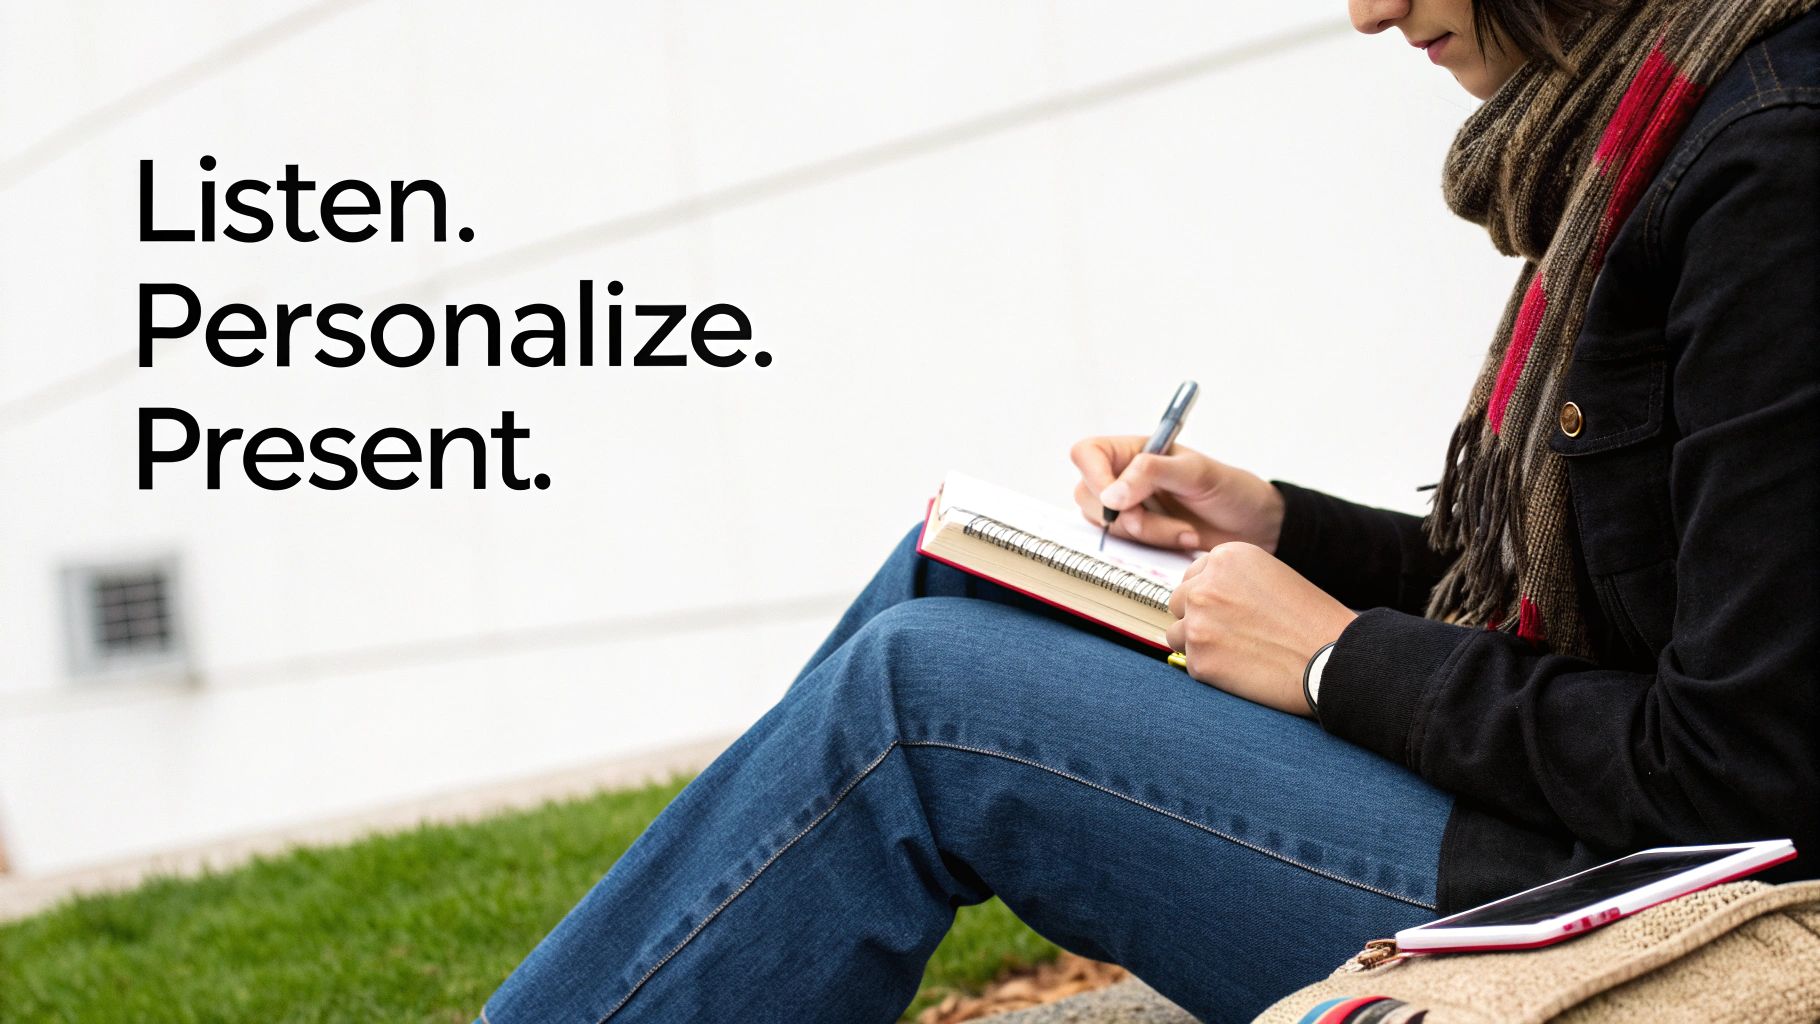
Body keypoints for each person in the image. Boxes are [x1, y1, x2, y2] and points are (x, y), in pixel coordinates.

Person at [476, 1, 1820, 1020]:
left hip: (1663, 920)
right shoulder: (1661, 121)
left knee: (918, 706)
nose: (1362, 12)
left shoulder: (1770, 169)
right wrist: (1280, 529)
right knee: (961, 574)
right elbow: (1616, 598)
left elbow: (1741, 771)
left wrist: (1330, 657)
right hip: (1576, 830)